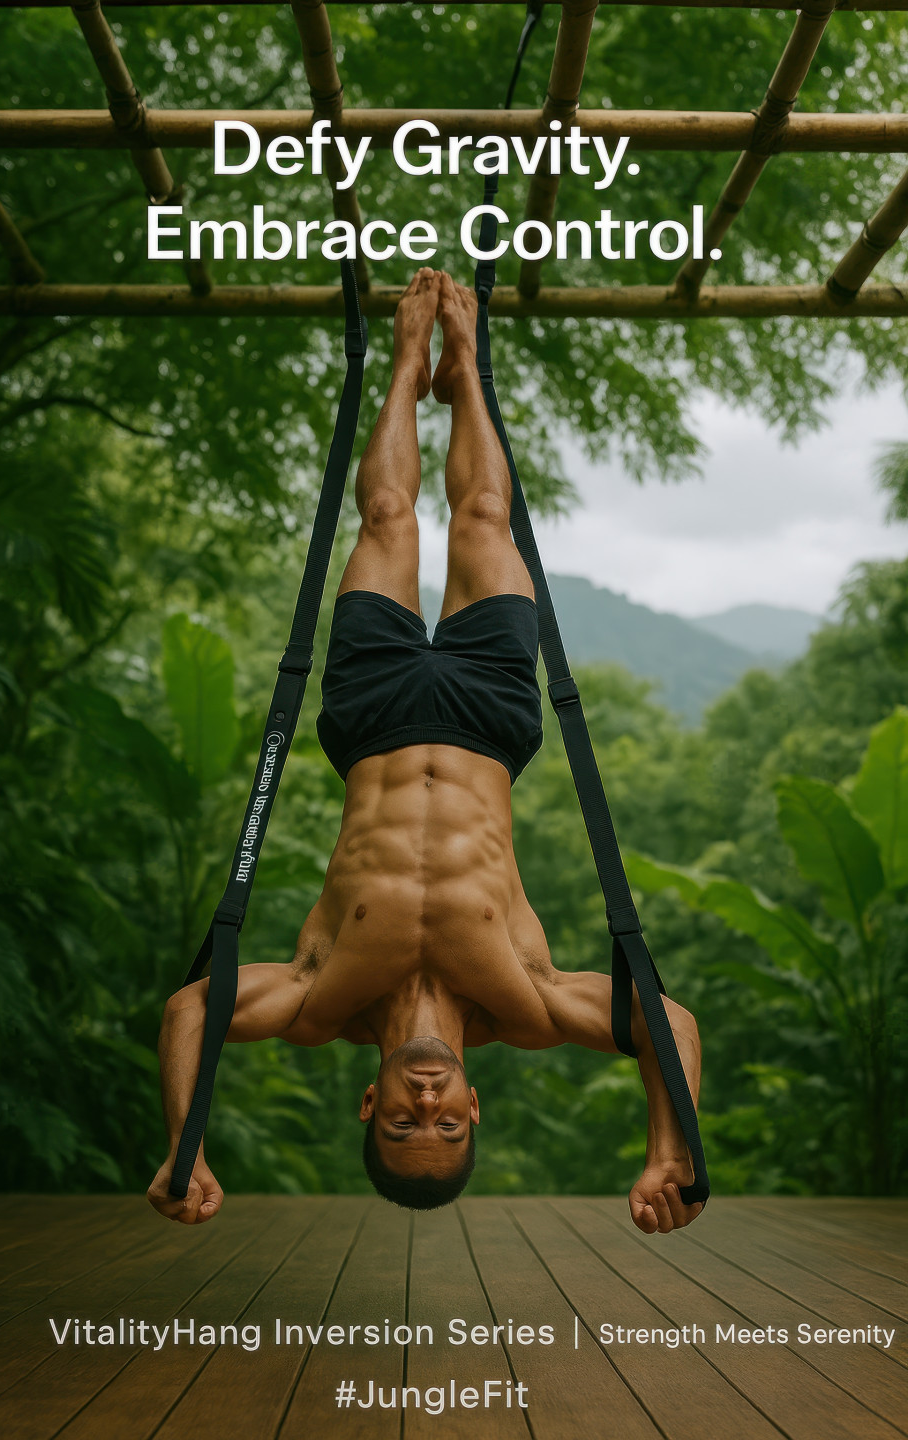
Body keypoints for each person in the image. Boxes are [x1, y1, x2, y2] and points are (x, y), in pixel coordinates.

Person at [147, 269, 704, 1235]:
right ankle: (469, 371)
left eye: (407, 1127)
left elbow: (190, 1009)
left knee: (389, 521)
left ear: (371, 1107)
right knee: (484, 519)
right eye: (447, 1125)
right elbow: (674, 1025)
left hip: (373, 720)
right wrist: (670, 1148)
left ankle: (408, 366)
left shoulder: (319, 1001)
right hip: (491, 720)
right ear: (474, 1108)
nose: (428, 1108)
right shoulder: (525, 1005)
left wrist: (182, 1145)